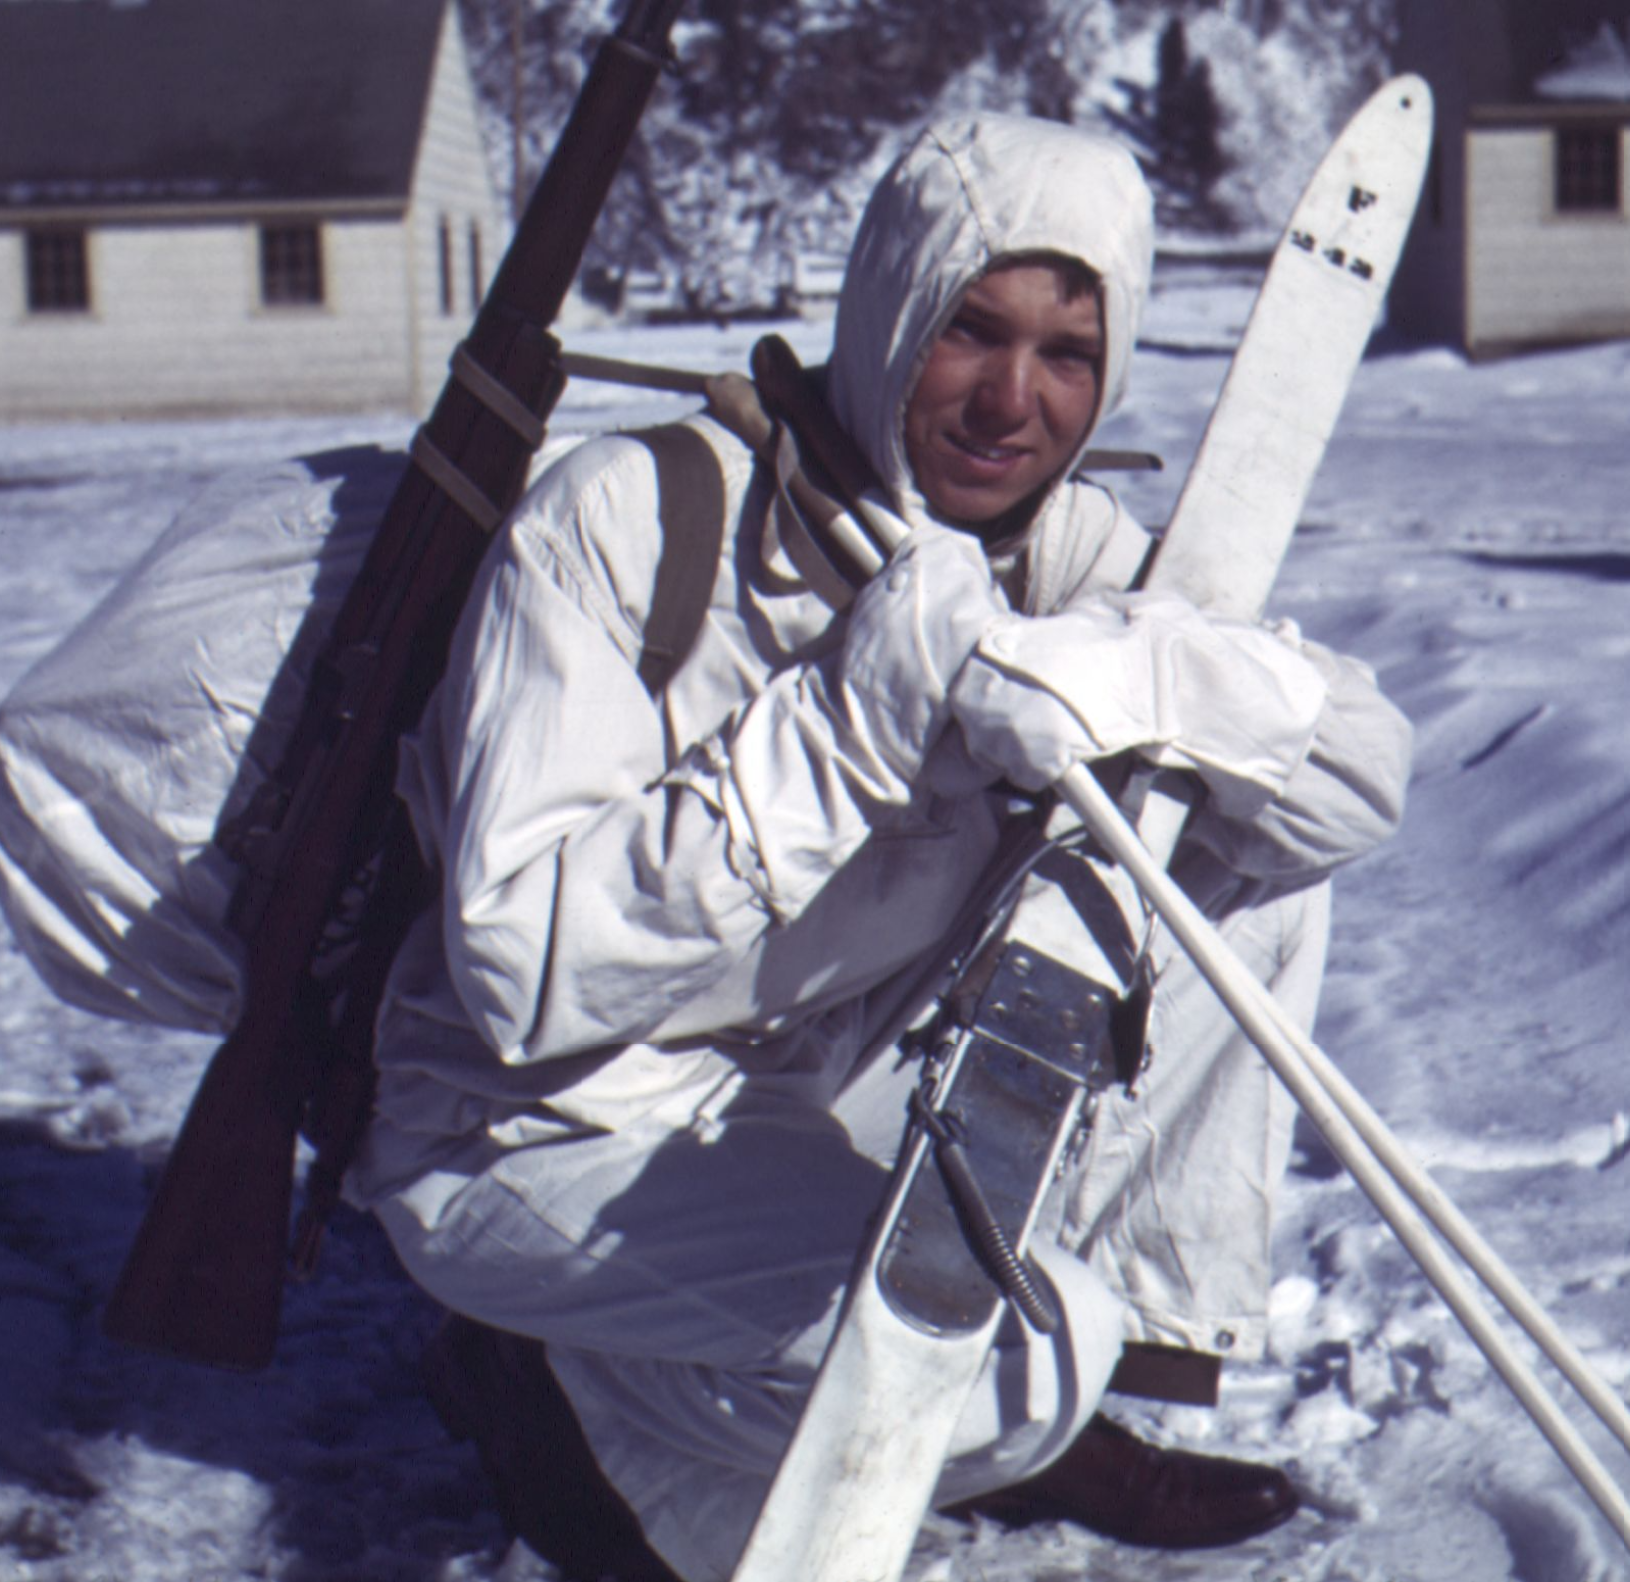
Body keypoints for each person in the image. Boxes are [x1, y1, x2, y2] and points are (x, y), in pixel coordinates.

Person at [351, 113, 1413, 1582]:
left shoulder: (1058, 556)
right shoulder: (626, 519)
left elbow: (1350, 798)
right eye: (970, 330)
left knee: (1229, 855)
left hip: (797, 1086)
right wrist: (854, 723)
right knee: (999, 1372)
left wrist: (1175, 684)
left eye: (1066, 353)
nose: (1010, 400)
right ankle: (547, 1372)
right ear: (890, 306)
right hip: (541, 1129)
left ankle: (1040, 1391)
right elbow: (527, 974)